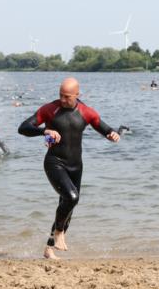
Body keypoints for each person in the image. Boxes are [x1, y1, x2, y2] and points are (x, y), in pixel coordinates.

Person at [18, 77, 120, 259]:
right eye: (61, 96)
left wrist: (112, 134)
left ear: (77, 95)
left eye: (67, 97)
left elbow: (103, 127)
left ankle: (49, 248)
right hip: (54, 162)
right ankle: (58, 233)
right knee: (71, 197)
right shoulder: (50, 109)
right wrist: (44, 131)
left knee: (68, 206)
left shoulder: (86, 112)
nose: (63, 100)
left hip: (76, 166)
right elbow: (23, 128)